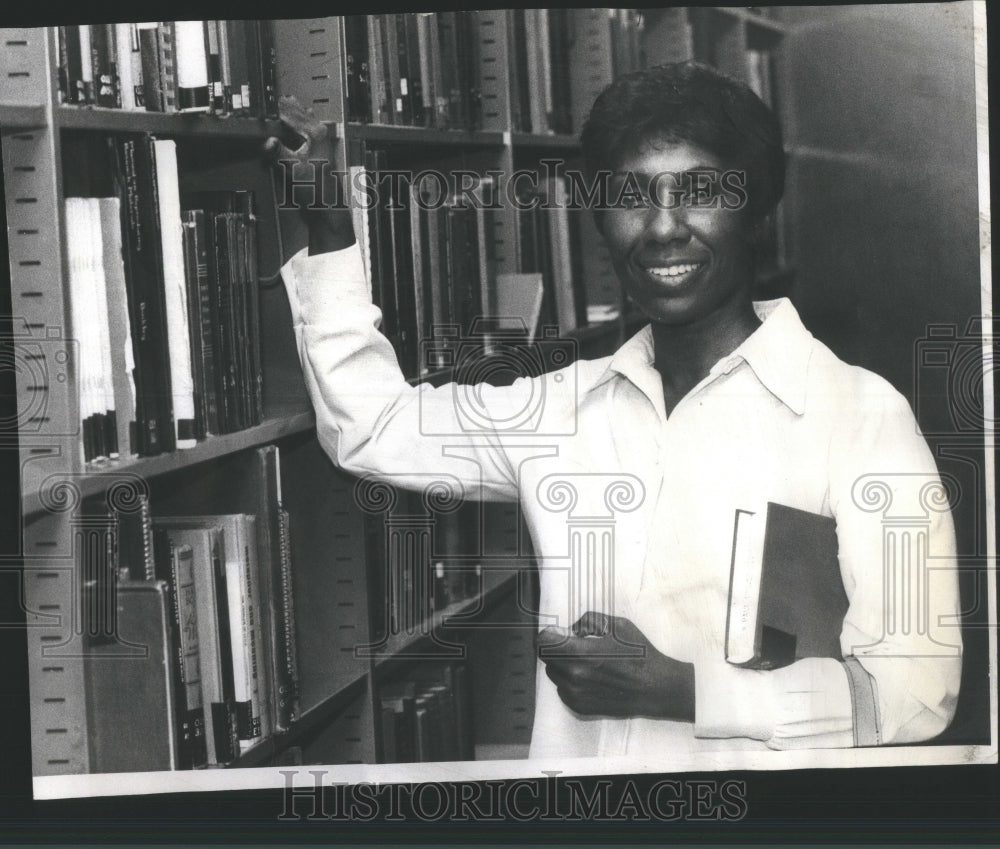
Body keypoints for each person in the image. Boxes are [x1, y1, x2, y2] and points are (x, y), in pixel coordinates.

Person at [269, 62, 961, 762]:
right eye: (632, 195)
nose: (663, 227)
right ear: (601, 220)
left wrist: (682, 690)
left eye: (700, 192)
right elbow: (371, 427)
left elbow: (915, 693)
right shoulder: (559, 408)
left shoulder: (862, 415)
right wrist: (331, 231)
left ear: (754, 207)